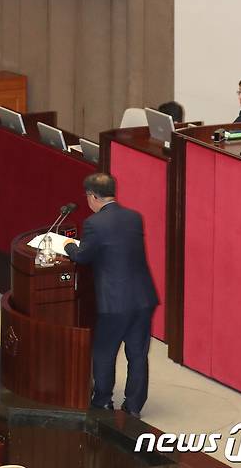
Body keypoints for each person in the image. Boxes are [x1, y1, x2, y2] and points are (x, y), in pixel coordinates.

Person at [63, 172, 158, 417]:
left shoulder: (94, 224)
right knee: (137, 354)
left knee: (104, 352)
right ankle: (134, 406)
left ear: (92, 196)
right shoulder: (134, 218)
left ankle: (103, 400)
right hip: (143, 298)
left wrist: (68, 246)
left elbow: (83, 256)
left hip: (115, 303)